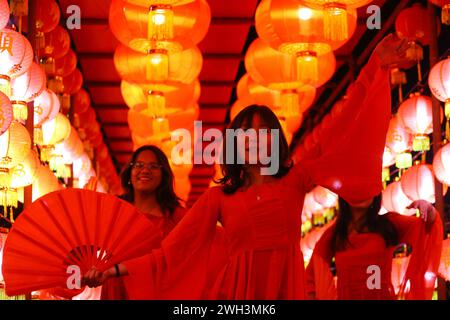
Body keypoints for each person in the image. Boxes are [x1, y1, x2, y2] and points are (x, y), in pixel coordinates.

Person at [83, 33, 413, 299]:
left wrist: (375, 66)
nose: (254, 142)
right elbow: (170, 253)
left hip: (287, 288)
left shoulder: (296, 178)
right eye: (246, 136)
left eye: (262, 135)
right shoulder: (219, 198)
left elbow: (341, 125)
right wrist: (111, 271)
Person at [305, 195, 443, 300]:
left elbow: (427, 227)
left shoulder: (388, 223)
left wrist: (428, 208)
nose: (362, 193)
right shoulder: (336, 233)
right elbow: (310, 277)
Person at [96, 145, 186, 299]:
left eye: (153, 166)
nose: (145, 170)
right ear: (130, 173)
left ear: (163, 175)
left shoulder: (176, 216)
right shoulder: (114, 208)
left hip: (155, 292)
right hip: (116, 287)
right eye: (138, 165)